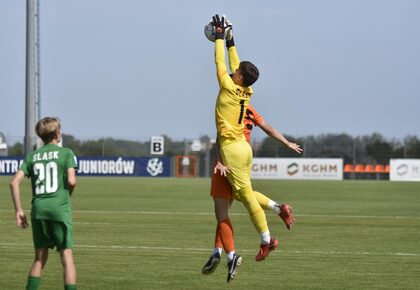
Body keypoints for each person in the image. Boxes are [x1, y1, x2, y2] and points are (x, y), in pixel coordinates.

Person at [206, 14, 291, 281]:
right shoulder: (247, 91)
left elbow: (220, 62)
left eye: (237, 71)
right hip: (244, 148)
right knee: (244, 194)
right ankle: (278, 209)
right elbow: (233, 63)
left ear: (239, 76)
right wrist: (232, 40)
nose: (234, 70)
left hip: (231, 149)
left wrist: (219, 38)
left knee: (246, 197)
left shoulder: (229, 86)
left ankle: (266, 240)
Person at [201, 104, 303, 280]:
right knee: (233, 202)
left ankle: (262, 243)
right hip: (242, 155)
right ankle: (217, 252)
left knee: (228, 207)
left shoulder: (228, 105)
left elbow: (220, 136)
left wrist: (219, 159)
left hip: (229, 157)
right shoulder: (247, 108)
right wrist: (286, 143)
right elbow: (268, 128)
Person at [10, 117, 78, 290]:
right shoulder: (67, 153)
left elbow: (14, 182)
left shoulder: (32, 156)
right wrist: (66, 197)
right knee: (66, 256)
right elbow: (71, 181)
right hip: (59, 209)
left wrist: (19, 210)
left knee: (39, 258)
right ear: (57, 133)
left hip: (38, 210)